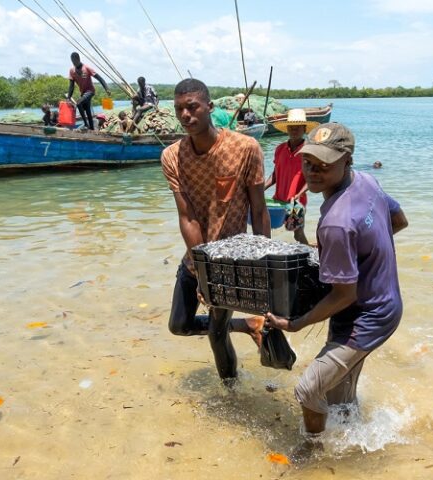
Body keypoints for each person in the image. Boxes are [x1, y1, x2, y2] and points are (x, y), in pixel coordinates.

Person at [263, 122, 408, 459]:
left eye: (324, 164)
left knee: (308, 388)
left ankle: (312, 451)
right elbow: (398, 221)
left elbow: (345, 295)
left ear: (347, 159)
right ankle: (356, 445)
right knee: (341, 399)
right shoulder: (367, 183)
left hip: (366, 315)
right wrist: (364, 260)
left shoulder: (337, 222)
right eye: (308, 162)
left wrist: (296, 324)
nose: (313, 171)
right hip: (386, 303)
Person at [161, 78, 271, 381]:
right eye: (179, 109)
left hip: (231, 261)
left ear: (210, 107)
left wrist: (263, 265)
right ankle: (249, 325)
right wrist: (200, 270)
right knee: (179, 325)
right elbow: (188, 218)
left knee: (216, 334)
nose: (186, 115)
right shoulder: (172, 156)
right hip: (196, 257)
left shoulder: (245, 148)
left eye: (192, 106)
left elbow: (259, 210)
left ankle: (231, 392)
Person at [264, 109, 320, 245]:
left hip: (297, 202)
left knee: (297, 234)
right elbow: (276, 173)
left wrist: (299, 193)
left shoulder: (309, 150)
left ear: (304, 129)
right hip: (278, 200)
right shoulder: (279, 149)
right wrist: (262, 188)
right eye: (291, 127)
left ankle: (310, 257)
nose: (294, 130)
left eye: (298, 127)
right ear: (287, 129)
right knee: (267, 229)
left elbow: (312, 177)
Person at [66, 52, 111, 131]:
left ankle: (86, 125)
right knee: (87, 110)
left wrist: (107, 88)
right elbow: (71, 86)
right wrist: (68, 97)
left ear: (78, 59)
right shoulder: (72, 71)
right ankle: (92, 128)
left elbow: (100, 78)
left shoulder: (86, 68)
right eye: (72, 61)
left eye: (75, 61)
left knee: (79, 103)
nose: (74, 63)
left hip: (90, 91)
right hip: (83, 93)